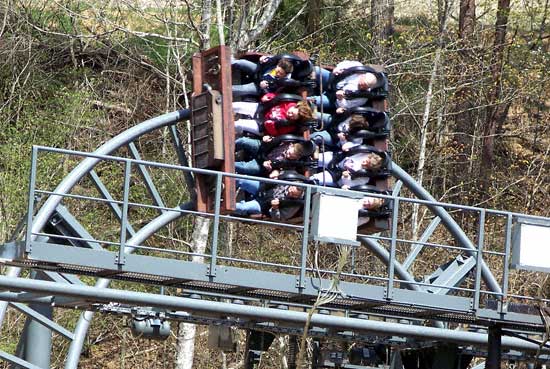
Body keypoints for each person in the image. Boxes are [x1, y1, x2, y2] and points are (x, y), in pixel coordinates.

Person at [233, 93, 314, 137]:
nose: (290, 115)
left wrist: (270, 126)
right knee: (236, 106)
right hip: (262, 109)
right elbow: (275, 97)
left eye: (292, 117)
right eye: (291, 112)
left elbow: (276, 134)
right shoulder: (288, 102)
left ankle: (234, 129)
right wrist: (267, 97)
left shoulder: (289, 125)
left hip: (262, 126)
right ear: (296, 106)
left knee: (239, 124)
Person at [233, 179, 305, 220]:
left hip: (262, 205)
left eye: (293, 194)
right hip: (261, 188)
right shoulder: (289, 179)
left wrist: (275, 208)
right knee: (242, 180)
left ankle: (223, 206)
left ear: (297, 197)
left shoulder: (293, 205)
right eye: (291, 189)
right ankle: (223, 181)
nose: (289, 193)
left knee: (243, 207)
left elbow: (278, 218)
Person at [234, 137, 308, 176]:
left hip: (261, 165)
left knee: (244, 167)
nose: (287, 155)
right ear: (291, 146)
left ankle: (228, 164)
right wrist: (267, 138)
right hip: (261, 148)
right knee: (243, 141)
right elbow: (272, 139)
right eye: (288, 153)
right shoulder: (285, 141)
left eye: (291, 157)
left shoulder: (290, 166)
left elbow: (278, 172)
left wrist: (271, 170)